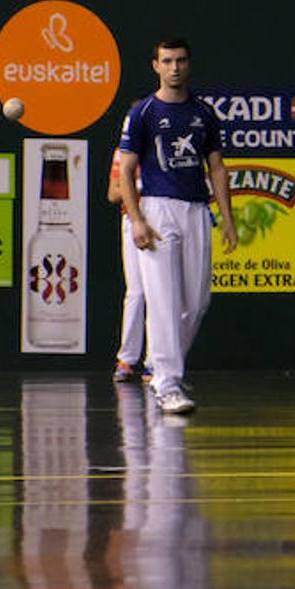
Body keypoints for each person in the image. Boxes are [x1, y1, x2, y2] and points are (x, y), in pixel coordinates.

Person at [117, 39, 237, 414]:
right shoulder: (143, 113)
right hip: (156, 209)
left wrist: (229, 221)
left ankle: (165, 365)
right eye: (167, 61)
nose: (174, 68)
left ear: (190, 64)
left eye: (181, 60)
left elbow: (216, 168)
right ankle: (166, 383)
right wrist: (137, 219)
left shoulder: (204, 113)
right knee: (163, 302)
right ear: (155, 65)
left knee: (198, 302)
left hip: (197, 210)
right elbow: (125, 168)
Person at [108, 146, 150, 384]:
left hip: (162, 220)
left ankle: (154, 363)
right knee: (136, 292)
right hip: (132, 221)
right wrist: (140, 189)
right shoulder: (122, 153)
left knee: (159, 295)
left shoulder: (165, 146)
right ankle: (126, 360)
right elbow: (113, 194)